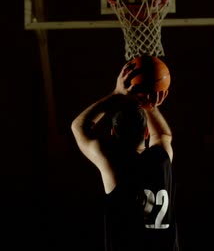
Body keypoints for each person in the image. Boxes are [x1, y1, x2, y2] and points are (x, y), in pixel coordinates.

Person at [70, 61, 179, 251]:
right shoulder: (161, 160)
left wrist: (117, 94)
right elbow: (163, 135)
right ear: (146, 134)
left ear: (113, 132)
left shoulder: (114, 165)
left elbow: (79, 126)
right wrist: (149, 105)